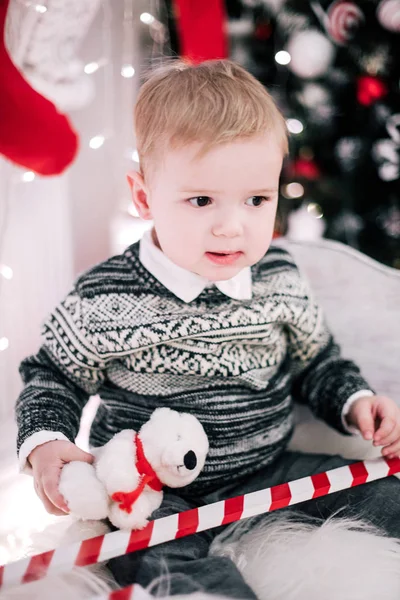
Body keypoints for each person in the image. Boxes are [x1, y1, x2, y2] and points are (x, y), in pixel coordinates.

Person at [15, 59, 400, 599]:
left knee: (382, 494)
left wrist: (356, 400)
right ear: (145, 197)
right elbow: (51, 375)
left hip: (268, 469)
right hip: (150, 492)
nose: (232, 225)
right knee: (156, 558)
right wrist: (47, 444)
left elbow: (318, 359)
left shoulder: (280, 278)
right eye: (201, 200)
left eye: (256, 200)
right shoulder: (105, 296)